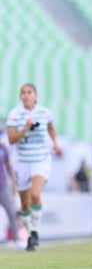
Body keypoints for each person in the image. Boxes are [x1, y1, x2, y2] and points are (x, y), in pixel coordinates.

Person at [6, 83, 62, 251]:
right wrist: (25, 127)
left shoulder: (45, 113)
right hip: (22, 161)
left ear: (35, 96)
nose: (26, 95)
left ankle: (35, 231)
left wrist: (55, 144)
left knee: (35, 194)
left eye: (29, 92)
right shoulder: (14, 115)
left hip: (41, 159)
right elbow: (11, 140)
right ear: (20, 96)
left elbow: (51, 128)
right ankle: (30, 234)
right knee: (24, 205)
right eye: (23, 92)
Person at [0, 134, 21, 247]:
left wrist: (14, 185)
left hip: (2, 186)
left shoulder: (3, 149)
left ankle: (17, 240)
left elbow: (9, 167)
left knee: (12, 212)